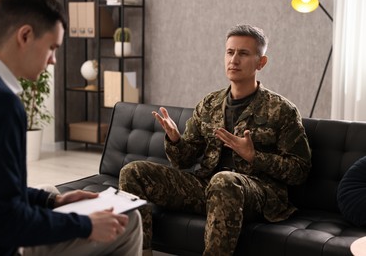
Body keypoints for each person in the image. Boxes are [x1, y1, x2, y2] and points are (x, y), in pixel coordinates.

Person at [119, 24, 312, 255]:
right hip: (207, 186)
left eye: (243, 53)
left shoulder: (283, 110)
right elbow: (183, 161)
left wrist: (254, 156)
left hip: (259, 194)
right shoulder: (209, 103)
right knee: (132, 172)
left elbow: (300, 170)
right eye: (230, 52)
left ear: (261, 62)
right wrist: (175, 140)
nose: (234, 60)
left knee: (224, 181)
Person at [0, 0, 142, 255]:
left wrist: (52, 200)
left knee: (50, 190)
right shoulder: (1, 103)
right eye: (52, 48)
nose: (53, 60)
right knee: (130, 221)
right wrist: (85, 225)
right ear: (25, 36)